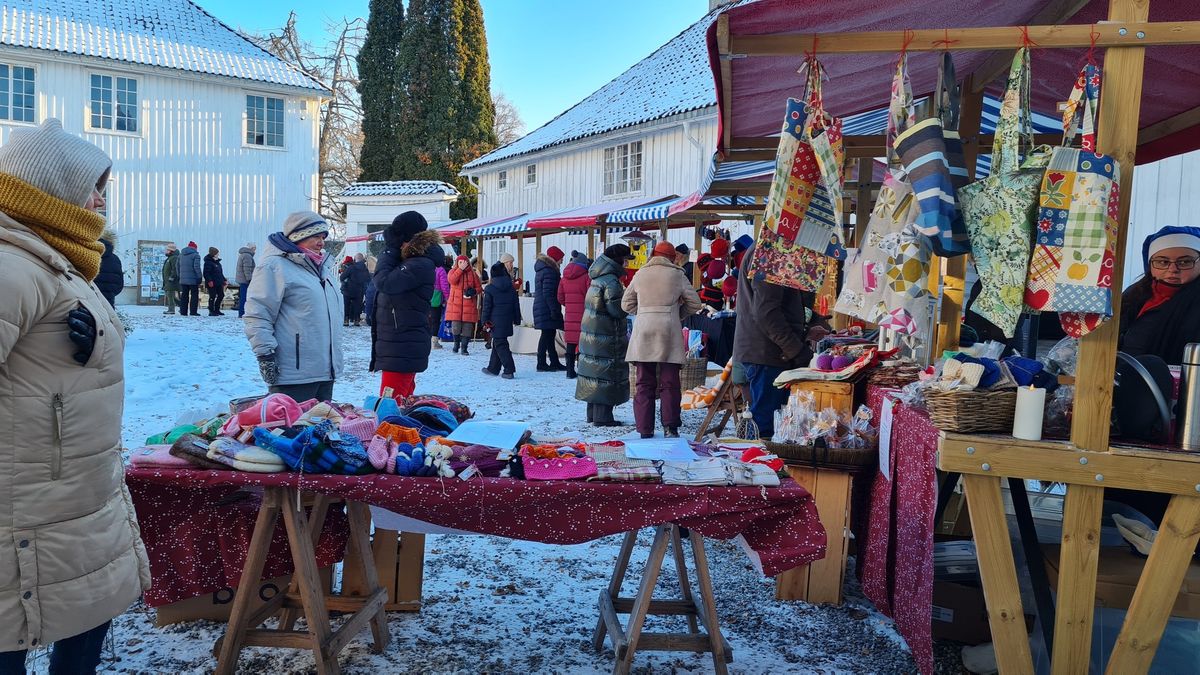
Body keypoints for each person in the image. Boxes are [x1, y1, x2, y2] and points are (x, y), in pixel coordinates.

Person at [0, 118, 149, 674]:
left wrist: (76, 354)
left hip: (75, 496)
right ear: (51, 186)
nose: (100, 200)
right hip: (29, 507)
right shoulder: (12, 263)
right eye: (91, 186)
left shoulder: (58, 257)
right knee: (11, 637)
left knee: (89, 615)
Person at [244, 211, 344, 401]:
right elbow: (257, 313)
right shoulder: (275, 266)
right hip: (294, 374)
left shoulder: (322, 268)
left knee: (319, 427)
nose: (321, 242)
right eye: (315, 236)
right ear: (299, 236)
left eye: (323, 236)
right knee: (292, 429)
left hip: (325, 370)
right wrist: (265, 354)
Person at [732, 241, 826, 439]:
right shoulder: (771, 250)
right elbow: (767, 313)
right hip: (767, 354)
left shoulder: (774, 249)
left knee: (770, 424)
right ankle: (758, 466)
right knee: (765, 427)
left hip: (771, 352)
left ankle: (761, 463)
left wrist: (804, 331)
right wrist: (797, 351)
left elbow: (774, 309)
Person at [623, 241, 704, 438]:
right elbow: (695, 303)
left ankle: (644, 429)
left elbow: (626, 304)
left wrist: (643, 312)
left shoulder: (641, 273)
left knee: (643, 382)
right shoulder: (677, 274)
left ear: (653, 254)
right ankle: (670, 427)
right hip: (668, 331)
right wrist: (676, 314)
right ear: (672, 257)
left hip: (644, 331)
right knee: (670, 382)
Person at [370, 211, 444, 398]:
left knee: (389, 408)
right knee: (399, 403)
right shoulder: (412, 261)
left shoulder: (419, 264)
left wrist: (389, 250)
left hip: (402, 347)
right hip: (400, 345)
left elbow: (384, 282)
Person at [1119, 226, 1200, 366]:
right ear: (1150, 264)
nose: (1173, 269)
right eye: (1163, 262)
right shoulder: (1133, 295)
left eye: (1185, 262)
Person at [576, 244, 634, 426]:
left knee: (594, 371)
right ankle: (603, 418)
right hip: (606, 333)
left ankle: (593, 415)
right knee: (605, 372)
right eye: (625, 260)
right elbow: (617, 309)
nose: (626, 264)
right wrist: (631, 301)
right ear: (618, 260)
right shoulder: (611, 281)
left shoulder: (598, 277)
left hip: (594, 332)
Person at [481, 261, 522, 379]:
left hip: (495, 321)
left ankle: (509, 369)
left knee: (500, 344)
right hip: (507, 320)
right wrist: (517, 319)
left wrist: (484, 321)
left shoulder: (490, 288)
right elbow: (516, 305)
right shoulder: (511, 287)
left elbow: (487, 307)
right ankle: (493, 368)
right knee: (498, 343)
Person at [558, 251, 591, 380]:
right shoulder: (586, 277)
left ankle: (570, 371)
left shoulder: (564, 277)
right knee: (584, 344)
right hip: (584, 314)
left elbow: (559, 297)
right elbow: (590, 295)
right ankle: (582, 370)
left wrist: (569, 305)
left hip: (570, 315)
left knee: (570, 344)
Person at [534, 245, 566, 371]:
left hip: (544, 307)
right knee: (546, 335)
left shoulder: (545, 269)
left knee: (549, 334)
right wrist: (554, 310)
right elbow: (548, 293)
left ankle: (554, 361)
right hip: (546, 308)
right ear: (555, 258)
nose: (562, 261)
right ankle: (541, 363)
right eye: (561, 258)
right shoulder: (549, 271)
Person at [446, 254, 482, 355]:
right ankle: (456, 344)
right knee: (456, 327)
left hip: (469, 304)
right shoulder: (453, 271)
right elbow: (452, 280)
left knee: (467, 328)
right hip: (455, 304)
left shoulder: (473, 274)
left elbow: (479, 288)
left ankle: (464, 348)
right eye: (460, 262)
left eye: (464, 262)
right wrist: (460, 270)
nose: (462, 264)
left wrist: (473, 291)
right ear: (457, 263)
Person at [340, 253, 370, 326]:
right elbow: (368, 279)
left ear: (355, 259)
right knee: (358, 305)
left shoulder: (351, 267)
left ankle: (346, 320)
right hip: (359, 290)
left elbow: (342, 277)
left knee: (346, 305)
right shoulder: (365, 269)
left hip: (348, 290)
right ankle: (356, 320)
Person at [95, 229, 123, 307]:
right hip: (108, 303)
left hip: (89, 301)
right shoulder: (115, 259)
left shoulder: (89, 257)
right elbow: (119, 285)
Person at [429, 253, 451, 349]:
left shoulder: (426, 268)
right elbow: (444, 286)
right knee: (435, 320)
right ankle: (434, 341)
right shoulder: (440, 270)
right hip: (436, 297)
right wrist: (447, 298)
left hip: (424, 295)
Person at [178, 240, 202, 316]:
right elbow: (196, 267)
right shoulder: (196, 255)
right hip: (193, 280)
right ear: (195, 248)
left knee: (184, 295)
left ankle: (183, 312)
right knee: (194, 295)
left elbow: (177, 267)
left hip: (183, 279)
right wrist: (199, 276)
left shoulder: (180, 255)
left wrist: (180, 276)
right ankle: (193, 312)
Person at [203, 246, 227, 316]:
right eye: (217, 253)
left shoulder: (217, 263)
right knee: (212, 296)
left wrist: (224, 280)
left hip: (219, 282)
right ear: (213, 254)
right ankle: (211, 310)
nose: (218, 255)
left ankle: (217, 309)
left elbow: (220, 273)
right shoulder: (208, 262)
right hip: (212, 283)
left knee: (221, 295)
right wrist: (209, 281)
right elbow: (206, 273)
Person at [235, 242, 256, 317]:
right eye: (254, 248)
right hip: (245, 280)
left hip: (242, 279)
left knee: (243, 296)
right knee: (244, 297)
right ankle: (242, 313)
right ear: (251, 248)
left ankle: (242, 312)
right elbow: (247, 269)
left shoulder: (243, 255)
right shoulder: (247, 256)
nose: (255, 250)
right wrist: (250, 279)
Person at [162, 242, 181, 314]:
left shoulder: (174, 258)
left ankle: (171, 309)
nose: (166, 251)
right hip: (167, 280)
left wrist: (172, 277)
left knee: (170, 294)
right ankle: (181, 306)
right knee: (170, 295)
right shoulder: (169, 258)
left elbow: (175, 269)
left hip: (171, 280)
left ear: (171, 251)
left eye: (167, 250)